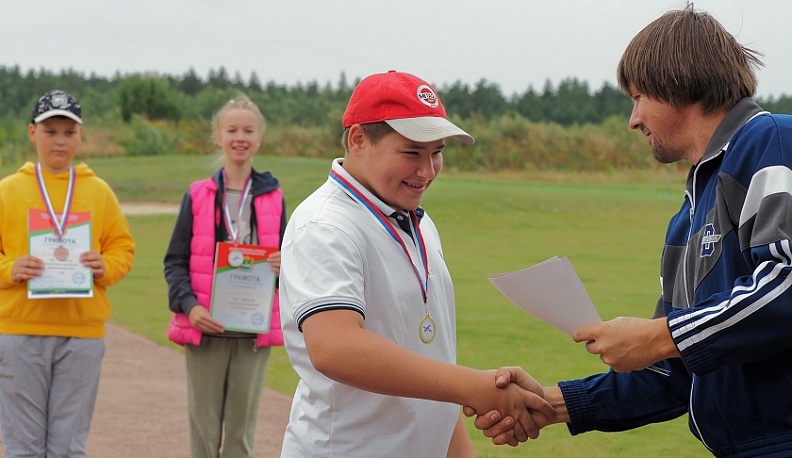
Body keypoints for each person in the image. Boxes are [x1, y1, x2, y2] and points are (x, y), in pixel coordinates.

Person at [469, 6, 792, 457]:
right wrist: (551, 403)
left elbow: (785, 284)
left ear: (679, 84)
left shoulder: (771, 140)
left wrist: (660, 336)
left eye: (638, 97)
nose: (633, 119)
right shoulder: (688, 214)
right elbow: (673, 375)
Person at [278, 70, 554, 458]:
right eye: (412, 152)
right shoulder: (325, 225)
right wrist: (473, 386)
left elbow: (433, 359)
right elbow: (334, 347)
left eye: (436, 152)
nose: (427, 170)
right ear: (358, 140)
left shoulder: (417, 222)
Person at [0, 90, 135, 457]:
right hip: (20, 330)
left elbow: (122, 247)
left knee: (68, 447)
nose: (59, 141)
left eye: (68, 132)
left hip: (81, 334)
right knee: (23, 447)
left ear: (80, 136)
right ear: (32, 133)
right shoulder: (8, 191)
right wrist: (10, 268)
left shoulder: (98, 191)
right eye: (50, 131)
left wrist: (105, 266)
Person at [163, 94, 286, 458]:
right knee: (204, 432)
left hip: (252, 332)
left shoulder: (274, 196)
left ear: (259, 138)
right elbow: (175, 261)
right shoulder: (198, 194)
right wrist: (190, 307)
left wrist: (285, 266)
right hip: (206, 328)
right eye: (232, 130)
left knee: (240, 434)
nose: (240, 138)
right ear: (218, 137)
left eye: (248, 130)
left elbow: (291, 264)